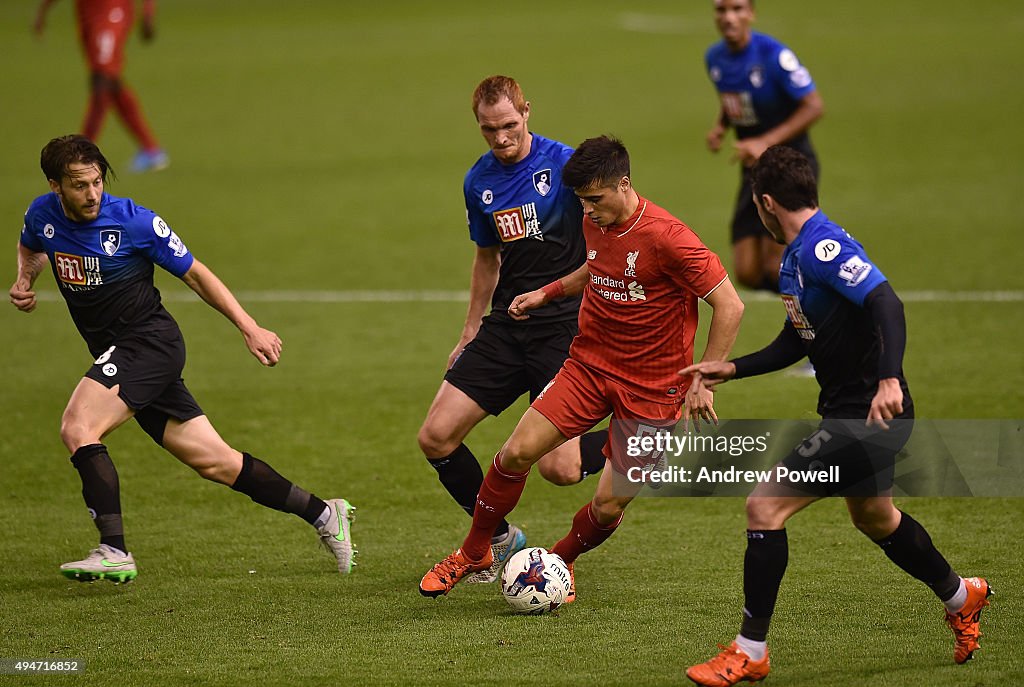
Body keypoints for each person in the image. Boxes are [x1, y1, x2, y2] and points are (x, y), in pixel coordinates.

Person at [681, 146, 991, 686]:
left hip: (868, 419)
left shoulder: (824, 248)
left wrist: (889, 378)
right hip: (853, 413)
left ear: (767, 203)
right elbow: (796, 339)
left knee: (763, 506)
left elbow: (887, 304)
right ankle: (963, 596)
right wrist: (732, 368)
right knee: (875, 518)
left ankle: (750, 649)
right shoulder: (796, 259)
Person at [10, 135, 353, 583]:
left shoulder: (134, 222)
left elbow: (196, 274)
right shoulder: (41, 214)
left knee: (78, 426)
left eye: (96, 182)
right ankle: (326, 514)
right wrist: (24, 280)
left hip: (148, 344)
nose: (91, 194)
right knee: (215, 461)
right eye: (79, 185)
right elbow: (32, 245)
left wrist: (249, 326)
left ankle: (114, 550)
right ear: (55, 185)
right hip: (120, 354)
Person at [419, 135, 745, 600]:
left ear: (624, 184)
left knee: (609, 505)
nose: (587, 212)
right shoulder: (597, 221)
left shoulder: (670, 239)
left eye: (595, 200)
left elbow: (729, 305)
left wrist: (705, 380)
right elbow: (597, 267)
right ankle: (475, 551)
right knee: (515, 454)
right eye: (581, 202)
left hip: (654, 392)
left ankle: (561, 561)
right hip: (588, 368)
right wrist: (549, 292)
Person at [417, 76, 610, 584]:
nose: (501, 139)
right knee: (436, 437)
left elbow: (612, 237)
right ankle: (497, 540)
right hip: (506, 325)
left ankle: (643, 439)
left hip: (563, 329)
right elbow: (486, 258)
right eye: (488, 130)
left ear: (527, 111)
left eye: (508, 125)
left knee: (561, 470)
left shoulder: (567, 168)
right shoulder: (478, 181)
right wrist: (468, 331)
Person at [704, 0, 824, 291]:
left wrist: (764, 142)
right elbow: (736, 99)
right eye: (721, 9)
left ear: (751, 14)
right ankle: (799, 295)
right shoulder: (714, 58)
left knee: (776, 265)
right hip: (753, 169)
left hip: (790, 166)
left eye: (737, 9)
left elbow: (814, 106)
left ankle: (812, 313)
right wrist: (722, 126)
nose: (729, 17)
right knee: (746, 271)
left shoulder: (774, 55)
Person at [33, 0, 169, 173]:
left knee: (102, 81)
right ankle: (151, 150)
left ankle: (80, 152)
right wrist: (43, 11)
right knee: (112, 84)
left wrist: (148, 13)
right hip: (87, 16)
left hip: (112, 12)